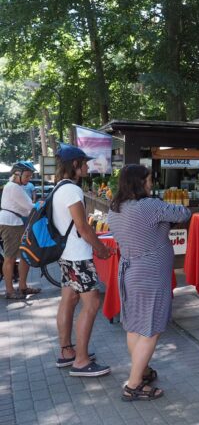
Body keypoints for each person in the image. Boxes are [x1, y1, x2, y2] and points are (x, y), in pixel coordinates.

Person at [108, 164, 191, 401]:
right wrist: (166, 223)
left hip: (130, 270)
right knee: (151, 329)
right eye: (148, 179)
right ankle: (133, 385)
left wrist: (162, 225)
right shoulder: (150, 206)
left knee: (134, 325)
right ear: (139, 181)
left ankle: (141, 371)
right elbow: (183, 214)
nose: (151, 182)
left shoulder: (115, 209)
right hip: (151, 274)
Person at [53, 144, 112, 377]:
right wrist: (101, 249)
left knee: (68, 299)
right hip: (78, 255)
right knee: (92, 304)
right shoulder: (72, 191)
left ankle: (67, 351)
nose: (88, 166)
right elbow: (82, 227)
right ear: (75, 165)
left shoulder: (58, 188)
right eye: (84, 163)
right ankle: (81, 360)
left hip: (66, 255)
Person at [0, 161, 37, 299]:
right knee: (9, 258)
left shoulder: (14, 186)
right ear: (17, 174)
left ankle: (23, 287)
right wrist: (40, 205)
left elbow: (25, 209)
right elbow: (29, 206)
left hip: (15, 222)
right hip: (11, 224)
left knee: (24, 256)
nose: (29, 179)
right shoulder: (14, 187)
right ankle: (9, 291)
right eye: (27, 176)